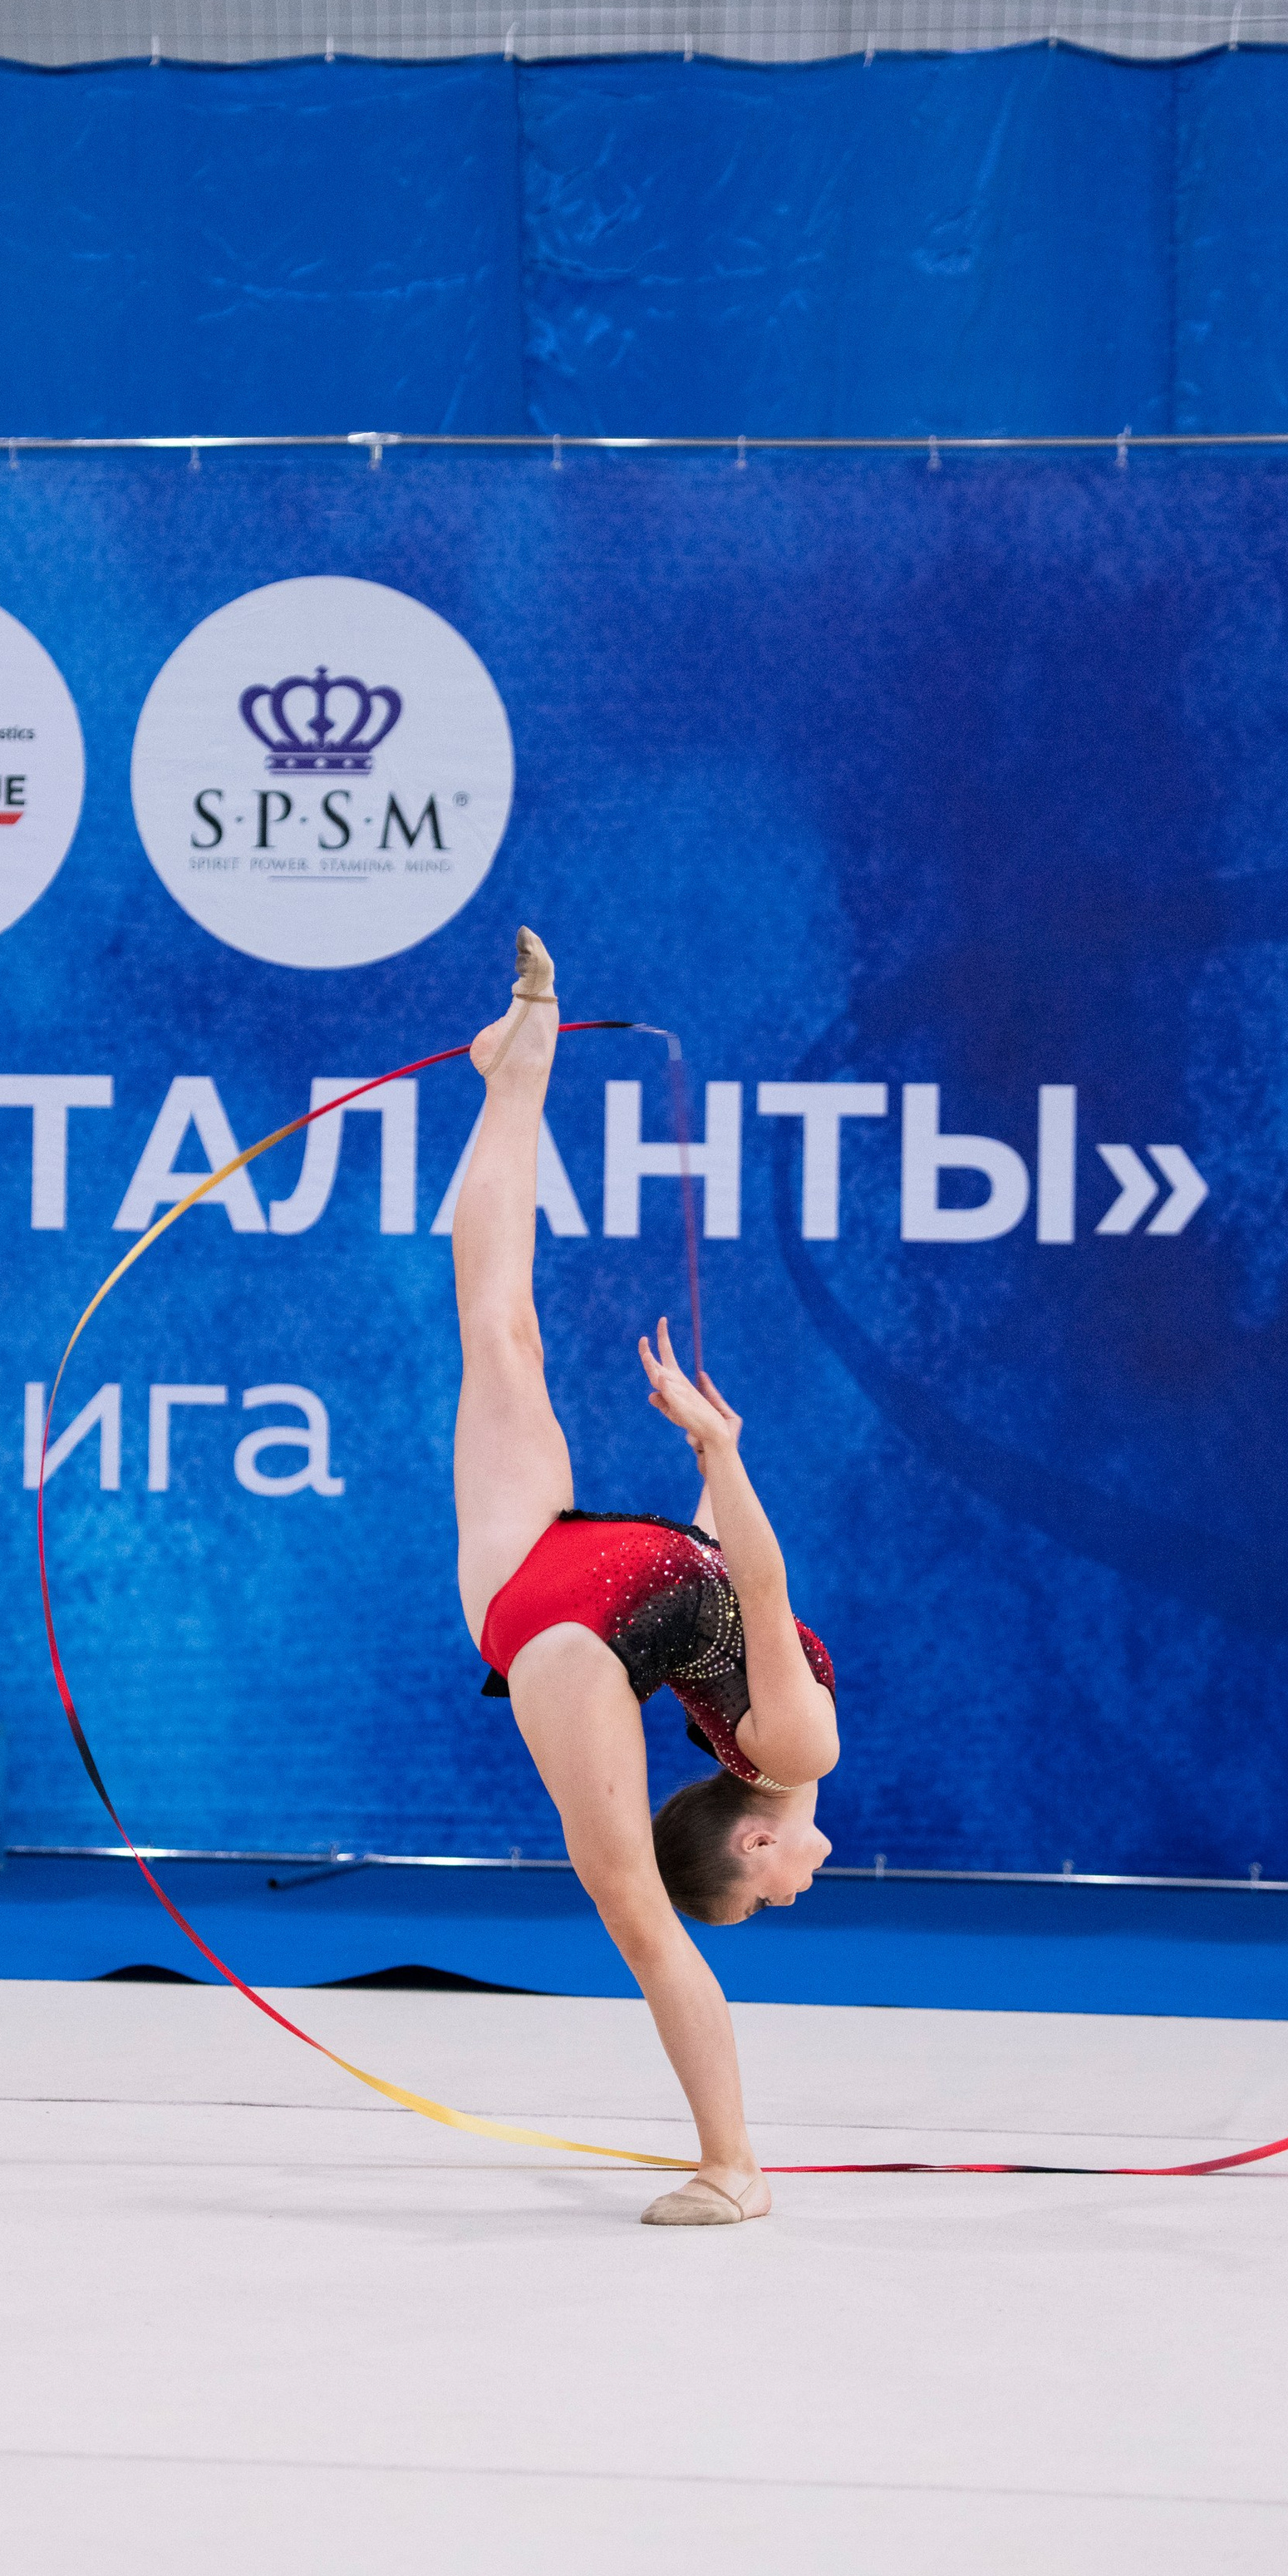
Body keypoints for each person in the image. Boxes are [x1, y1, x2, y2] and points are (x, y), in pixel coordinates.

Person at [452, 930, 839, 2225]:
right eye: (779, 1895)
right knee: (497, 1318)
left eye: (768, 1892)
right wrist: (716, 1461)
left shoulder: (768, 1749)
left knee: (631, 1907)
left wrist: (721, 1463)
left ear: (750, 1840)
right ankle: (521, 1065)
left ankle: (734, 2167)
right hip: (553, 1581)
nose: (800, 1888)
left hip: (556, 1615)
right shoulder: (792, 1741)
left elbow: (743, 1586)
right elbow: (750, 1587)